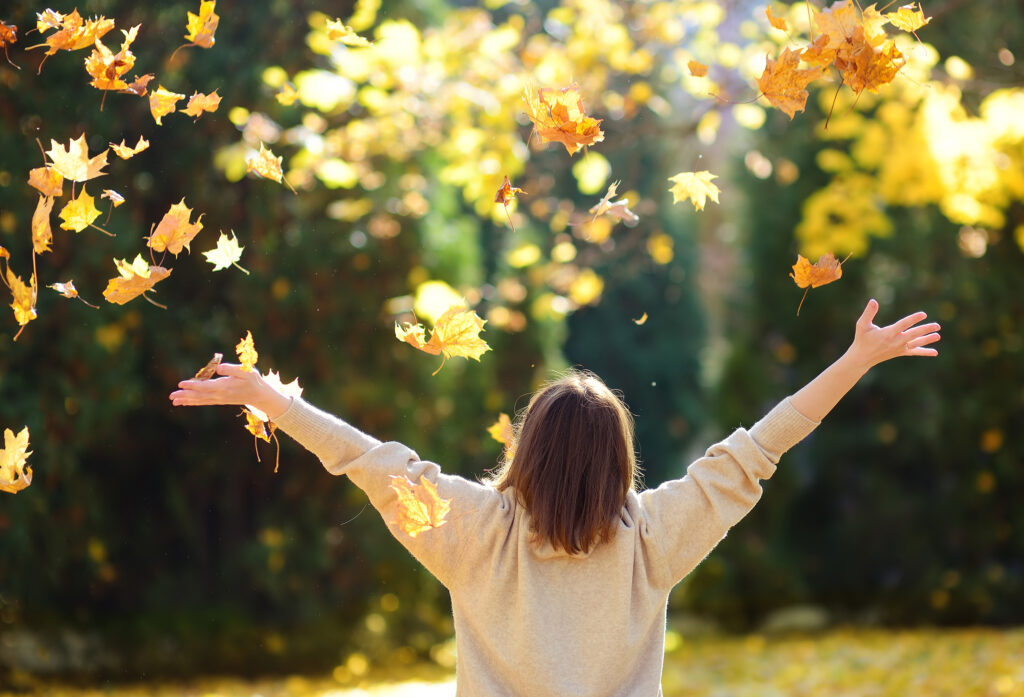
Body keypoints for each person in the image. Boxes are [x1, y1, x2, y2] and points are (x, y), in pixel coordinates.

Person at [169, 298, 939, 697]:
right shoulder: (654, 534)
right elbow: (763, 445)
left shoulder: (470, 528)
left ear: (526, 448)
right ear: (619, 458)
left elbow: (365, 459)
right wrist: (855, 359)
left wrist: (269, 395)